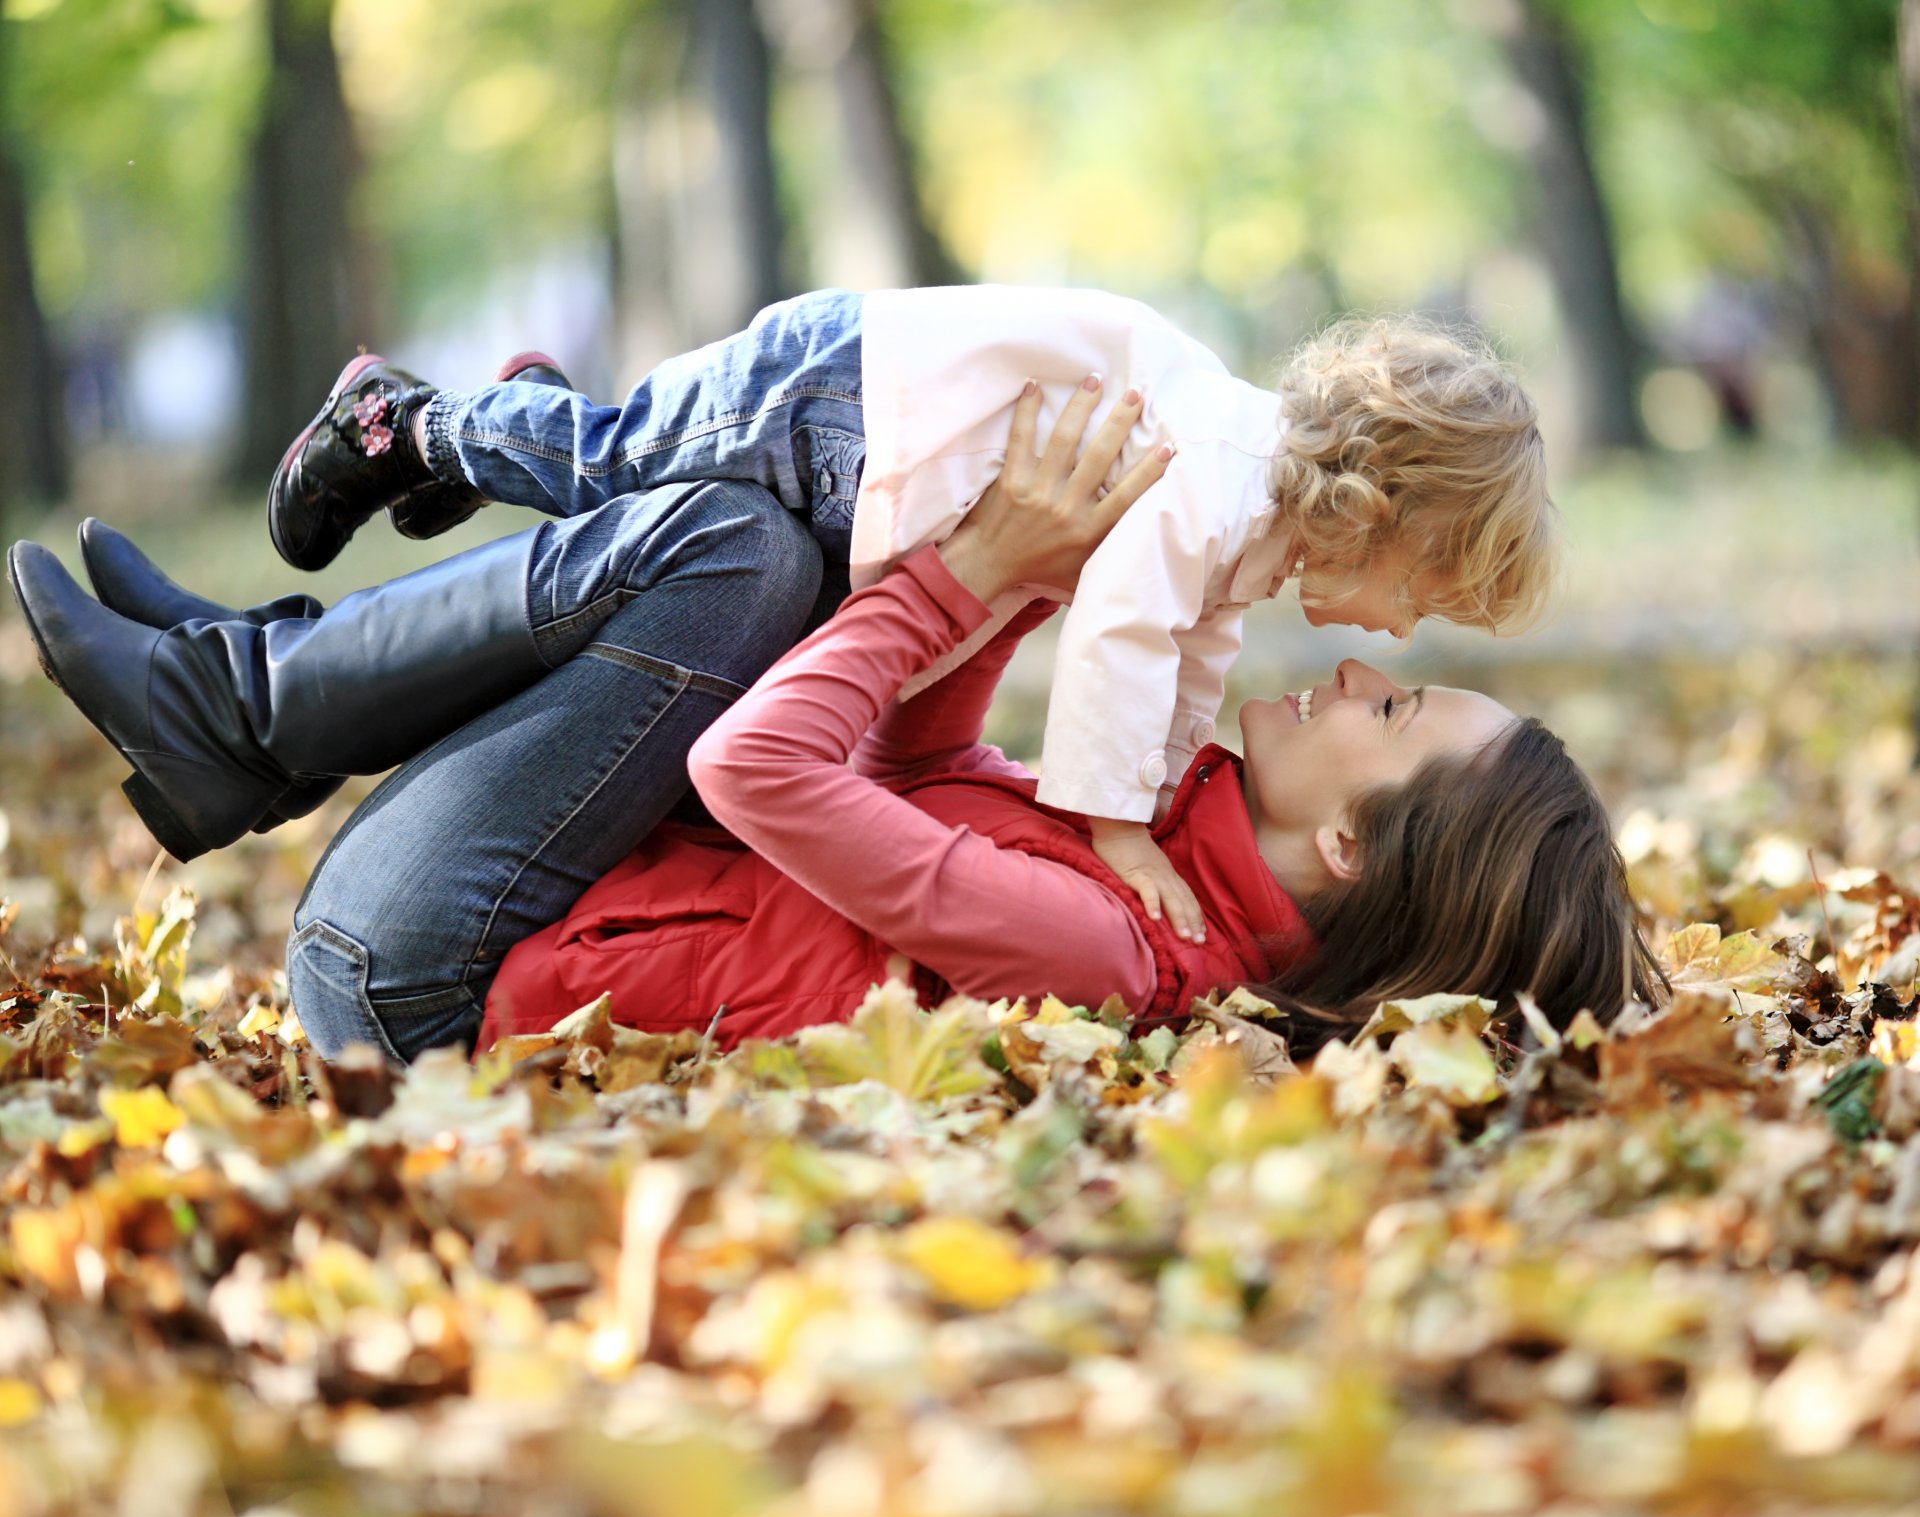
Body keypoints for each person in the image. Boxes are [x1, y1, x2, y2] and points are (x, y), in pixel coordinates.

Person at [1, 375, 1655, 1066]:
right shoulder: (1157, 867)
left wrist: (968, 581)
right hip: (524, 905)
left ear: (1355, 836)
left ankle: (240, 702)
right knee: (781, 539)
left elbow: (763, 766)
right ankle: (238, 691)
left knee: (732, 550)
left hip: (426, 979)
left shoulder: (1110, 942)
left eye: (1400, 705)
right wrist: (1011, 573)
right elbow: (917, 773)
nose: (1358, 675)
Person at [264, 286, 1555, 947]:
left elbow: (1187, 654)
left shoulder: (1250, 529)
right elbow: (1119, 635)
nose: (1390, 633)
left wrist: (1159, 796)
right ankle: (407, 421)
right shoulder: (1224, 478)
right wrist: (1114, 829)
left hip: (875, 445)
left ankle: (506, 432)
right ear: (1381, 513)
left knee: (633, 485)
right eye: (1420, 594)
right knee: (618, 470)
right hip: (846, 400)